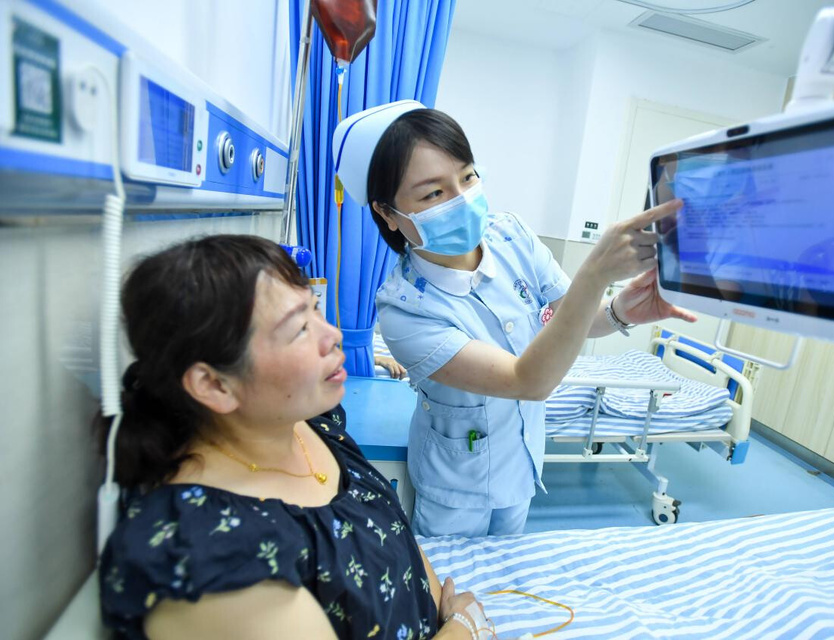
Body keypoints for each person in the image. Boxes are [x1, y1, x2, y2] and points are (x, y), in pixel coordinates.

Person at [332, 100, 695, 538]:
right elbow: (528, 381)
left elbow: (569, 318)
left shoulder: (511, 235)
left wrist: (620, 311)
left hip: (520, 467)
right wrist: (595, 273)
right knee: (454, 576)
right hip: (455, 489)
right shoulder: (404, 308)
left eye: (468, 176)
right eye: (433, 194)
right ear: (388, 213)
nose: (462, 199)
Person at [98, 235, 489, 639]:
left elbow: (388, 530)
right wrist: (463, 629)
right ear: (214, 385)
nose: (333, 335)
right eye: (300, 329)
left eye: (315, 309)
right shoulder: (207, 554)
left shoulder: (309, 424)